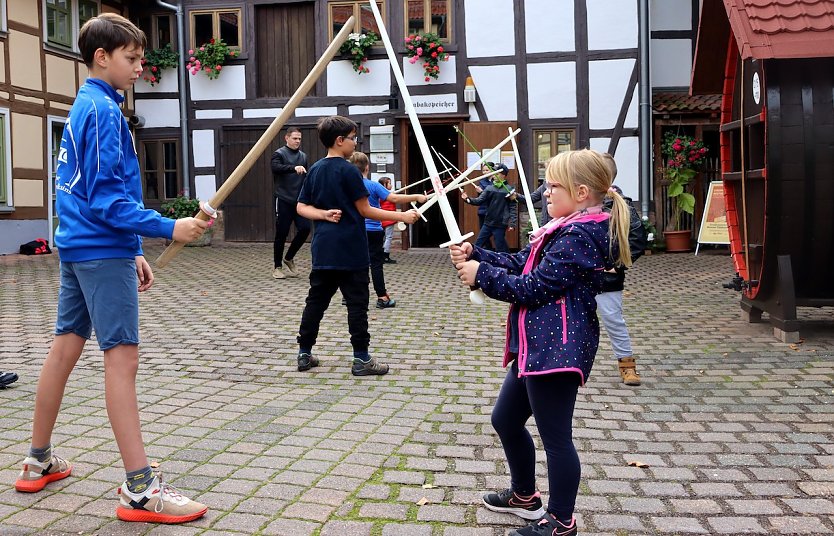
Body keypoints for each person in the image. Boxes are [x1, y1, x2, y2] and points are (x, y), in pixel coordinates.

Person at [14, 13, 209, 524]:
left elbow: (90, 195)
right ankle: (141, 489)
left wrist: (135, 248)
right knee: (121, 361)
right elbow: (105, 199)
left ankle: (38, 461)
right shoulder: (102, 111)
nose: (141, 68)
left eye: (142, 59)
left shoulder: (84, 105)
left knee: (63, 349)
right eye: (132, 58)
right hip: (101, 249)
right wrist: (168, 229)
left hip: (83, 248)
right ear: (102, 57)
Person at [450, 149, 632, 536]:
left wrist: (481, 275)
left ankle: (561, 521)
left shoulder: (580, 234)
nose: (544, 193)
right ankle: (523, 496)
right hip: (538, 347)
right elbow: (524, 263)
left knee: (556, 438)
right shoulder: (565, 227)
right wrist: (476, 254)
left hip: (558, 350)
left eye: (552, 187)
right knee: (505, 419)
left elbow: (535, 287)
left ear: (581, 192)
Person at [294, 116, 419, 375]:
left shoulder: (315, 168)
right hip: (351, 250)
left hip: (323, 250)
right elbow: (366, 210)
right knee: (357, 305)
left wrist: (323, 215)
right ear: (340, 141)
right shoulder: (349, 170)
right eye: (353, 138)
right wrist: (402, 216)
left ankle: (304, 354)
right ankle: (361, 359)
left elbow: (301, 207)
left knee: (315, 302)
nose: (355, 142)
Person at [348, 152, 426, 309]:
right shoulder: (373, 185)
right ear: (367, 167)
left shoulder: (346, 186)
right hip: (374, 230)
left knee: (354, 262)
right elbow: (394, 198)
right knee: (376, 264)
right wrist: (416, 197)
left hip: (353, 230)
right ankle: (382, 297)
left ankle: (349, 295)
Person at [599, 153, 647, 386]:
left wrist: (615, 265)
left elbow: (637, 239)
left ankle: (627, 365)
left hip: (607, 281)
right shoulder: (579, 204)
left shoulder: (622, 204)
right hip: (579, 278)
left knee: (613, 320)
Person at [271, 126, 310, 279]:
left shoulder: (303, 156)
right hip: (283, 199)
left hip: (299, 201)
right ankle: (277, 267)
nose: (297, 141)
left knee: (305, 229)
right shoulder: (278, 154)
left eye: (299, 139)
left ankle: (289, 257)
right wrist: (293, 168)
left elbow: (306, 177)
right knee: (281, 234)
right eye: (294, 138)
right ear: (286, 138)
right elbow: (276, 168)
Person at [461, 163, 517, 252]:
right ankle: (471, 259)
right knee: (479, 243)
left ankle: (506, 263)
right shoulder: (489, 188)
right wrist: (467, 199)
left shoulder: (509, 190)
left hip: (500, 224)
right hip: (488, 222)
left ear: (503, 175)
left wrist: (512, 223)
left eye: (497, 173)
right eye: (494, 173)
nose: (494, 175)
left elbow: (513, 207)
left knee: (500, 246)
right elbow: (479, 200)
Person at [378, 177, 398, 264]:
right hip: (389, 218)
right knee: (388, 237)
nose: (391, 185)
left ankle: (380, 255)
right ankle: (385, 255)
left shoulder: (380, 194)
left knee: (382, 237)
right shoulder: (388, 195)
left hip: (382, 218)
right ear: (384, 185)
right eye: (389, 183)